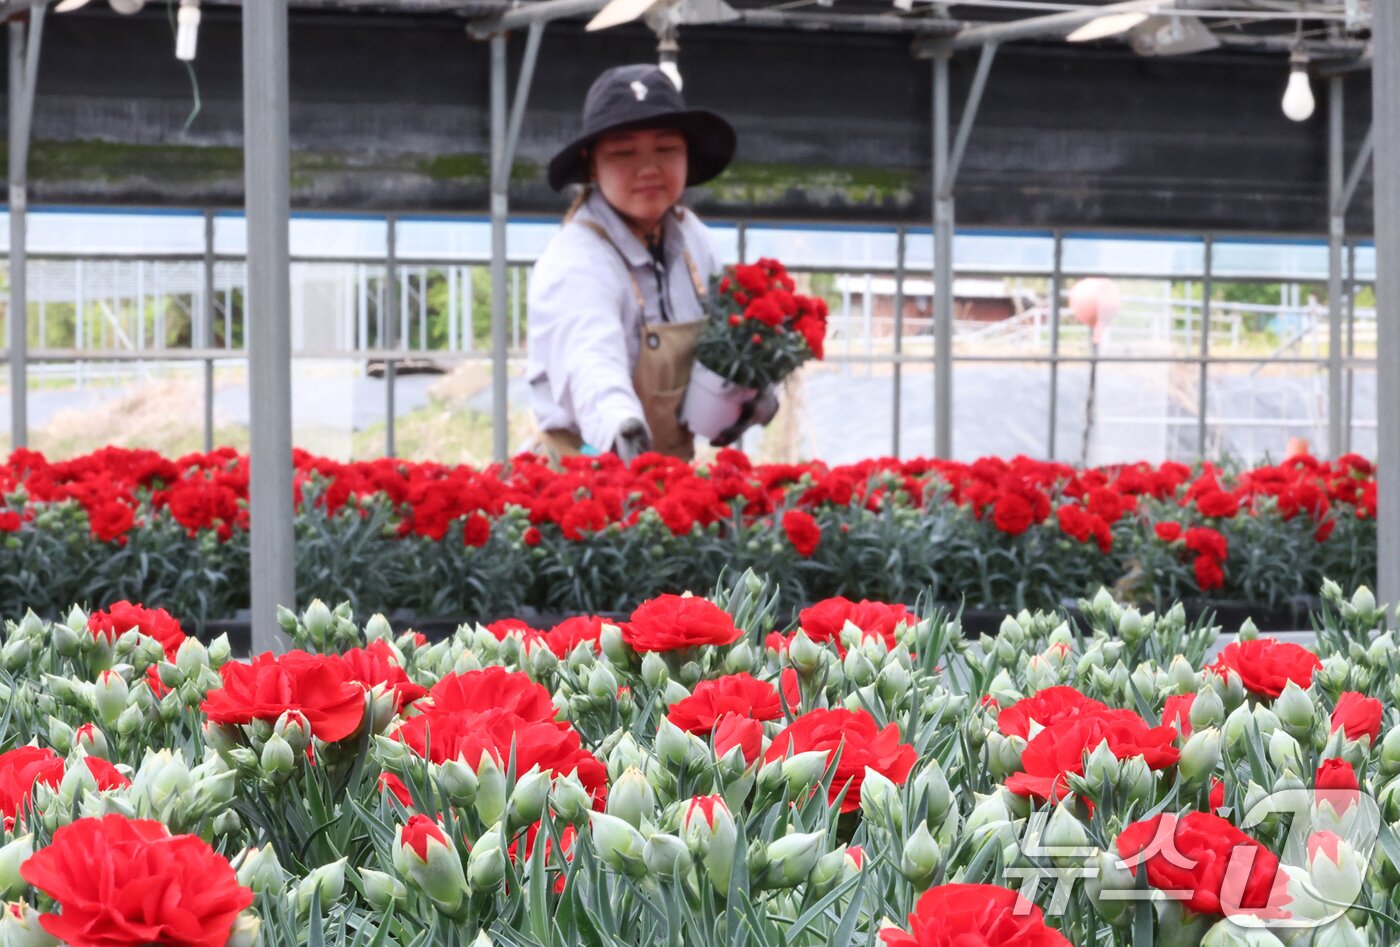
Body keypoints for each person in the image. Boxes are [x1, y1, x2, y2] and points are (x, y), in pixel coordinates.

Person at [527, 63, 777, 463]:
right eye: (624, 152)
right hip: (586, 478)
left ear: (687, 156)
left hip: (668, 472)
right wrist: (623, 431)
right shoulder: (577, 261)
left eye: (666, 149)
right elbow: (592, 364)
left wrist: (752, 390)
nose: (648, 168)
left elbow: (726, 335)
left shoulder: (693, 238)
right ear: (593, 164)